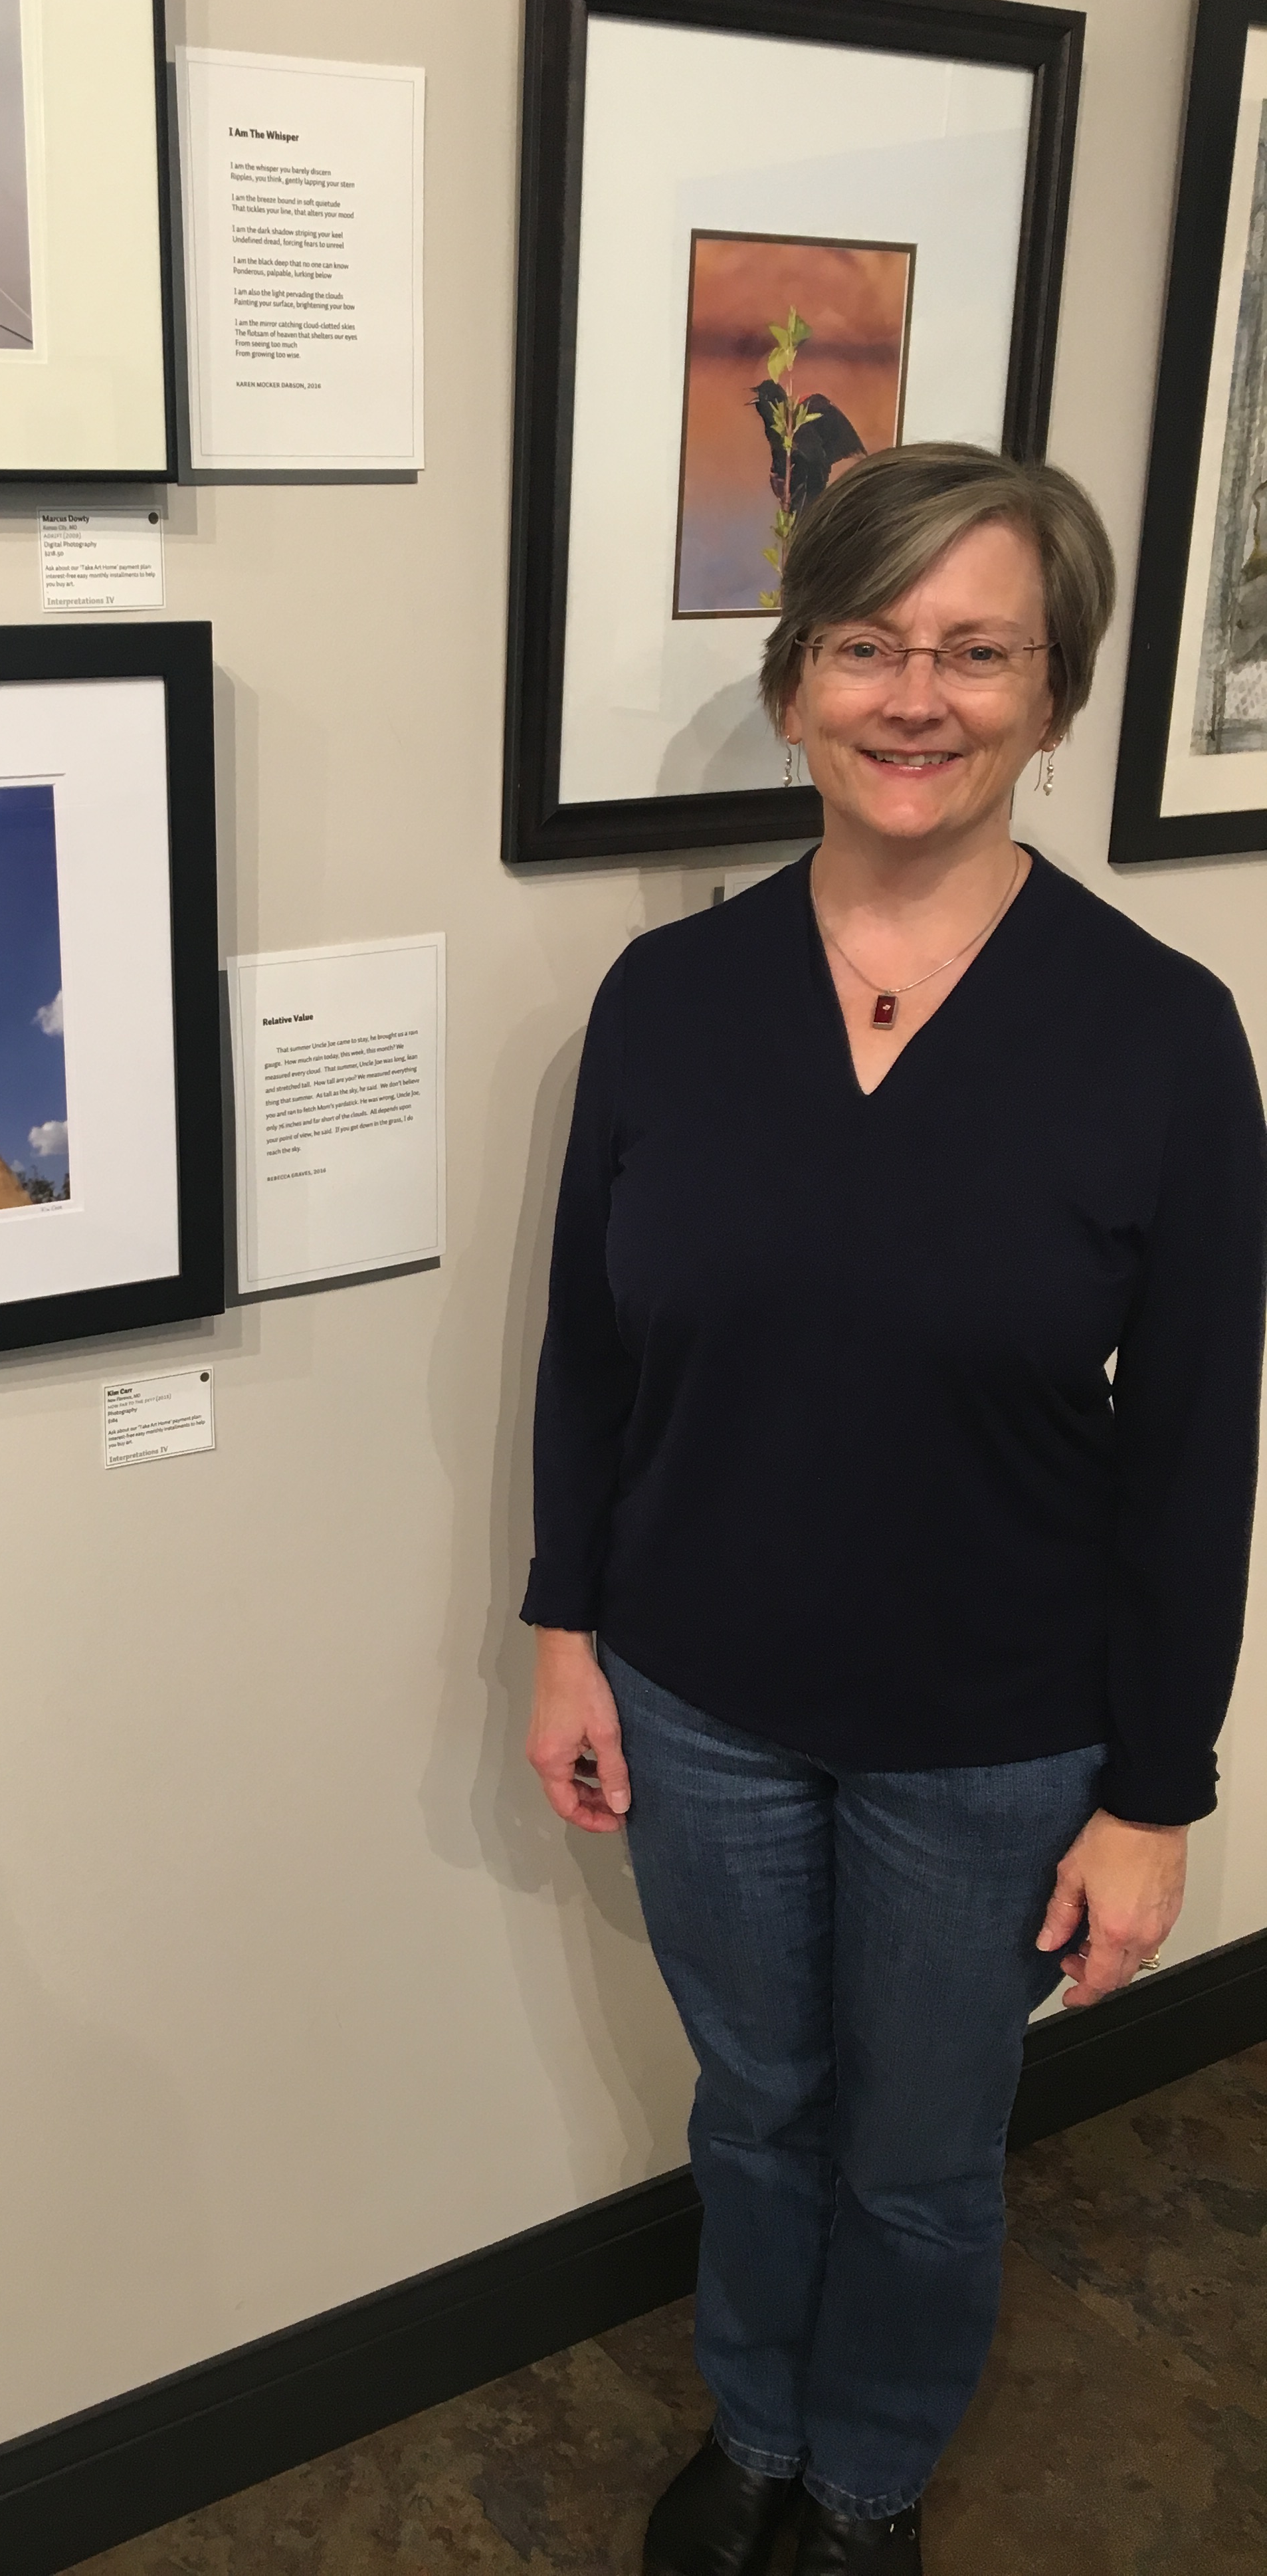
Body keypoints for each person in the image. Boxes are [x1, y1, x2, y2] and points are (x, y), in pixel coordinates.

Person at [521, 442, 1267, 2576]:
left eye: (978, 651)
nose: (916, 696)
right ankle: (756, 2427)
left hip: (995, 1738)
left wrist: (1155, 1796)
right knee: (757, 2112)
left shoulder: (1161, 1037)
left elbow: (1195, 1447)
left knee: (923, 2161)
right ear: (796, 686)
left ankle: (865, 2480)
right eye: (868, 645)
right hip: (700, 1701)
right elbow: (591, 1354)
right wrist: (568, 1634)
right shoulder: (669, 1003)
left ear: (1056, 697)